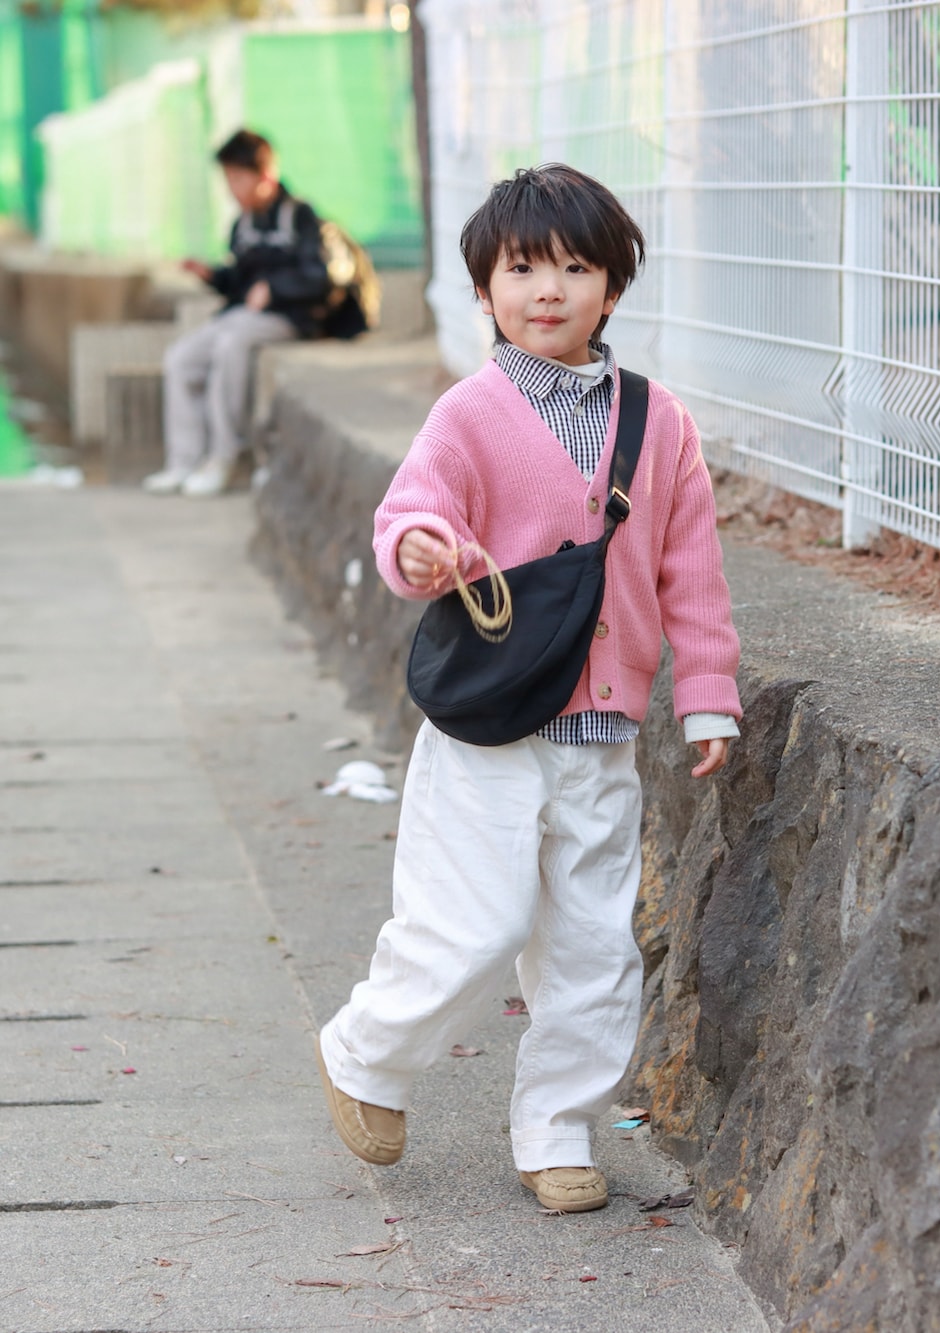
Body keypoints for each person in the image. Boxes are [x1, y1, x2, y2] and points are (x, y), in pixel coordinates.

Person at [315, 164, 742, 1213]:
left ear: (612, 286)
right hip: (492, 725)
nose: (547, 288)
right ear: (482, 288)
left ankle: (557, 1127)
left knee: (594, 944)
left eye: (575, 267)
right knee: (473, 922)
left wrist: (707, 691)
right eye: (521, 268)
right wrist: (423, 546)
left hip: (601, 732)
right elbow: (409, 512)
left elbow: (691, 567)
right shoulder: (470, 413)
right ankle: (366, 1049)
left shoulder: (659, 421)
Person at [143, 129, 330, 498]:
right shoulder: (242, 225)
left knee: (230, 345)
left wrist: (275, 288)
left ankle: (222, 457)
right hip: (243, 316)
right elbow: (239, 283)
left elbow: (318, 277)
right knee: (181, 358)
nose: (232, 189)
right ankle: (183, 462)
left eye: (239, 179)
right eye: (228, 179)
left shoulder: (299, 216)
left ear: (265, 176)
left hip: (287, 319)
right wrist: (212, 276)